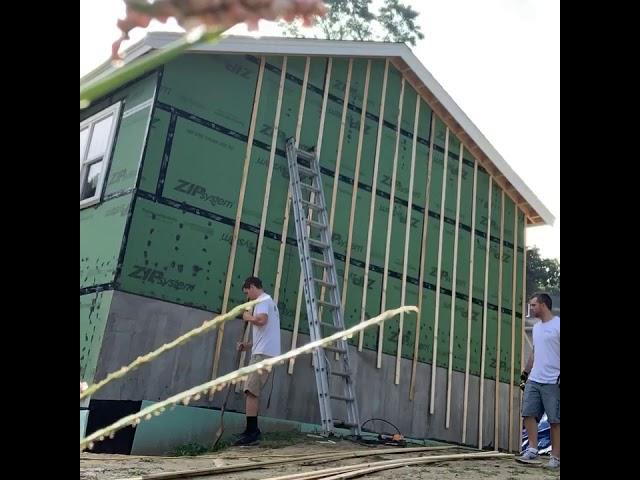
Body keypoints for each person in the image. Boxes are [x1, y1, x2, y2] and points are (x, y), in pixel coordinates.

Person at [233, 276, 281, 446]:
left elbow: (261, 321)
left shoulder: (262, 301)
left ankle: (252, 432)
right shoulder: (269, 302)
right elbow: (267, 333)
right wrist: (248, 346)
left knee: (251, 391)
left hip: (263, 355)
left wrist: (247, 316)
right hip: (264, 352)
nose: (248, 297)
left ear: (253, 287)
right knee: (251, 390)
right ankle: (250, 430)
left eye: (248, 293)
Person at [517, 293, 560, 468]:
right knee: (528, 413)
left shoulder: (558, 325)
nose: (531, 309)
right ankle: (533, 449)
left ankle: (555, 457)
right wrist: (525, 374)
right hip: (535, 378)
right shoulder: (536, 328)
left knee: (554, 420)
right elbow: (534, 352)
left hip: (553, 380)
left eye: (533, 305)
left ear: (543, 305)